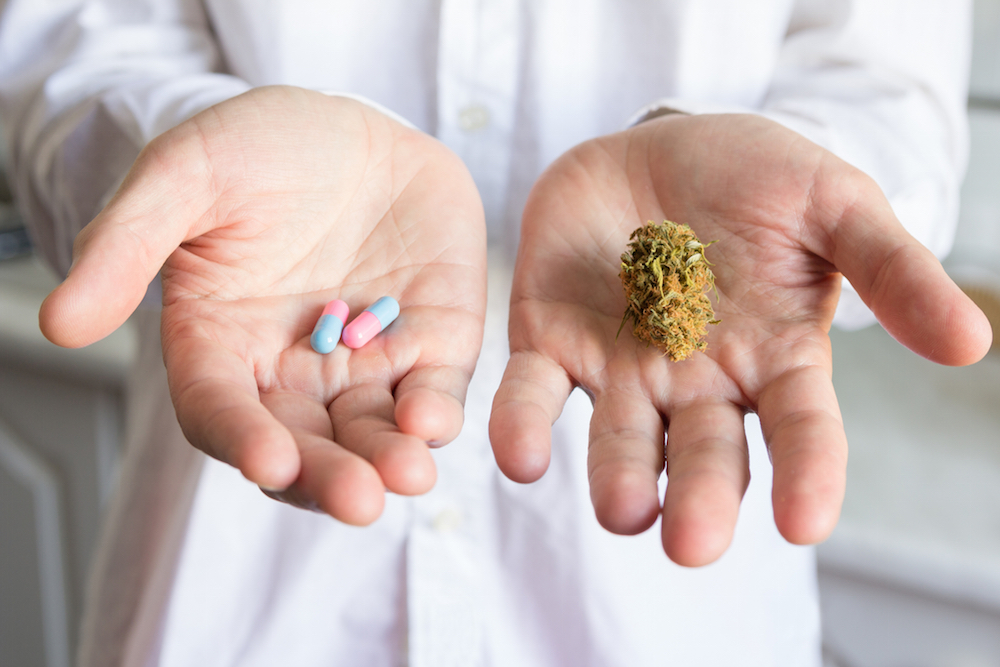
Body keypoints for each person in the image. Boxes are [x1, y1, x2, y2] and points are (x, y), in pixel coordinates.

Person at [0, 1, 990, 665]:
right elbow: (66, 40)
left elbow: (884, 88)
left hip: (662, 595)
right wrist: (193, 155)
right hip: (242, 571)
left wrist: (796, 197)